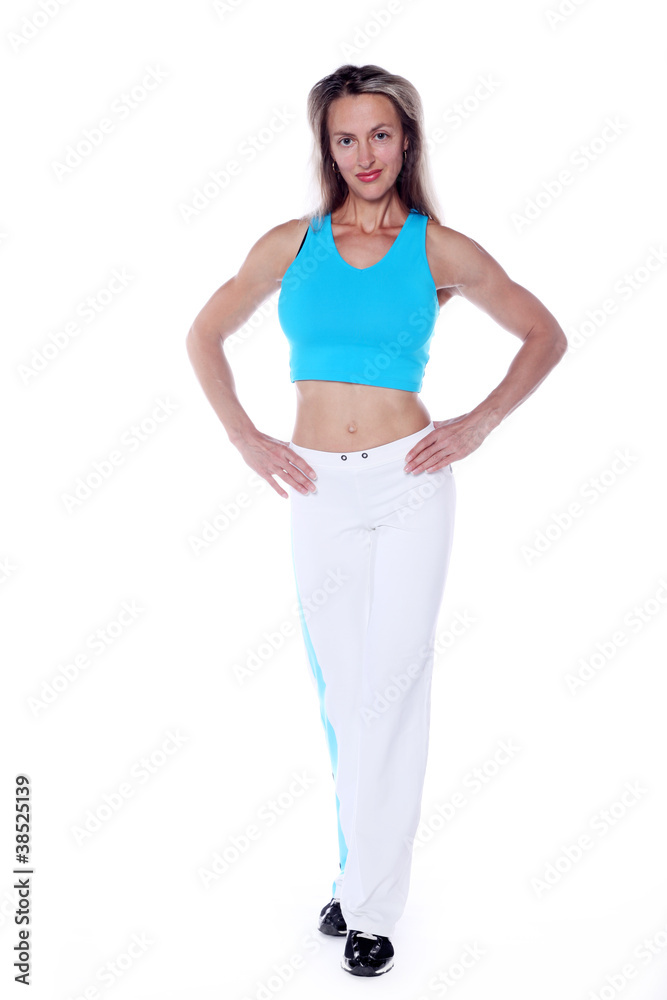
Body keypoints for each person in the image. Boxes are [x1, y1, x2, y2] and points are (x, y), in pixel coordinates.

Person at [186, 63, 567, 978]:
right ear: (326, 147)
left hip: (408, 485)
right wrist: (244, 438)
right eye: (346, 137)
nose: (365, 154)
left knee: (391, 692)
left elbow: (543, 333)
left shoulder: (437, 249)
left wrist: (477, 423)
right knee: (342, 696)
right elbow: (204, 334)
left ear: (407, 140)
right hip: (316, 487)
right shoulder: (291, 245)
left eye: (381, 134)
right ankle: (355, 871)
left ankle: (371, 911)